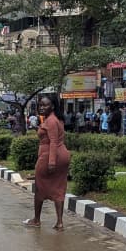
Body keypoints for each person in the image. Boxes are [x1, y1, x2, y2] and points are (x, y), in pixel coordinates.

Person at [24, 93, 71, 232]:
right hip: (61, 155)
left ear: (53, 106)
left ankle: (36, 220)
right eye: (40, 105)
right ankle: (59, 222)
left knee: (40, 188)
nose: (42, 107)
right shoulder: (56, 120)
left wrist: (51, 162)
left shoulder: (50, 121)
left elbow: (53, 142)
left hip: (51, 156)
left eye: (45, 105)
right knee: (59, 188)